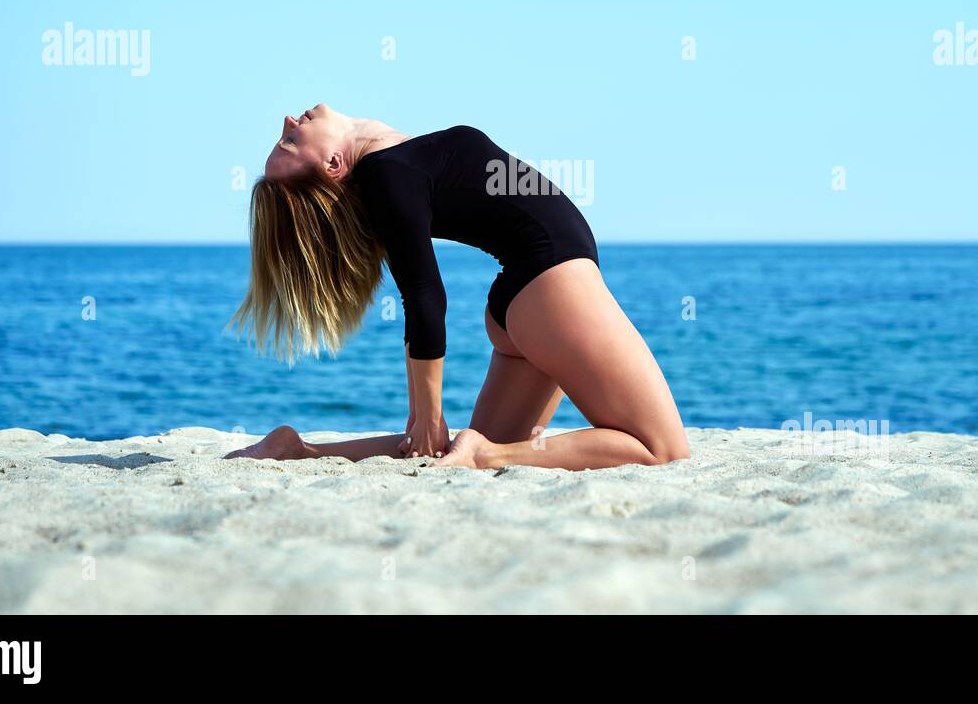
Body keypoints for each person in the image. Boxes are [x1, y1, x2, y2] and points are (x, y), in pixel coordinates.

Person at [224, 103, 689, 470]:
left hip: (530, 298)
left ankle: (299, 451)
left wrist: (429, 428)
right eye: (290, 140)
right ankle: (486, 454)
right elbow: (424, 296)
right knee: (661, 449)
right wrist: (427, 414)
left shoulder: (392, 160)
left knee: (443, 453)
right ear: (331, 164)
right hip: (549, 287)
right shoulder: (386, 175)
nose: (289, 120)